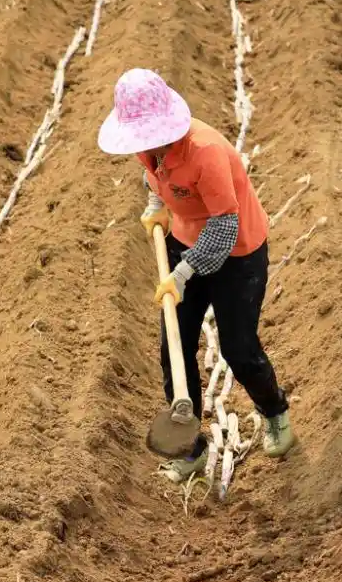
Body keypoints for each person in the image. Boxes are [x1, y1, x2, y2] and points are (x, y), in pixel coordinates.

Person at [98, 68, 294, 479]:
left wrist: (183, 273)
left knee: (239, 349)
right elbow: (154, 176)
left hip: (238, 251)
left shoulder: (205, 153)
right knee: (174, 346)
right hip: (184, 239)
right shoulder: (148, 148)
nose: (145, 147)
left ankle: (275, 410)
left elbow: (224, 227)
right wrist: (157, 204)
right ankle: (192, 446)